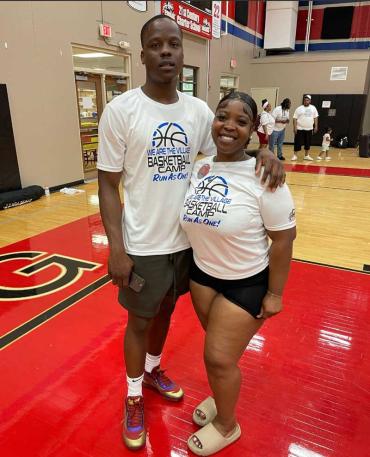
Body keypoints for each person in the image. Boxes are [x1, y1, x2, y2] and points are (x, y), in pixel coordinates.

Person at [97, 14, 285, 451]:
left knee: (164, 312)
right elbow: (107, 184)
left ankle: (154, 369)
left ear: (183, 52)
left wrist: (265, 151)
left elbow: (225, 148)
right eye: (156, 45)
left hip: (187, 246)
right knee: (139, 320)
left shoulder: (199, 111)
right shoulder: (121, 111)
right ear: (142, 54)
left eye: (174, 44)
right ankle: (132, 395)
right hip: (142, 243)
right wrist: (117, 248)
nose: (166, 51)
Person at [180, 91, 296, 456]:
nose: (229, 126)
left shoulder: (264, 173)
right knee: (221, 355)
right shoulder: (201, 166)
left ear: (252, 131)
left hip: (247, 282)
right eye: (222, 116)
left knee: (217, 357)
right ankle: (221, 399)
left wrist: (275, 294)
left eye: (241, 121)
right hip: (202, 275)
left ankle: (227, 425)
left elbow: (284, 238)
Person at [292, 94, 318, 161]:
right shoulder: (299, 108)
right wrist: (295, 127)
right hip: (300, 128)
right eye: (305, 100)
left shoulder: (313, 108)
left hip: (309, 129)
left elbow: (315, 117)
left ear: (310, 101)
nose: (306, 101)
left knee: (308, 142)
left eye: (307, 100)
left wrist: (316, 126)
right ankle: (295, 155)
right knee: (297, 142)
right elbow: (294, 118)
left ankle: (306, 155)